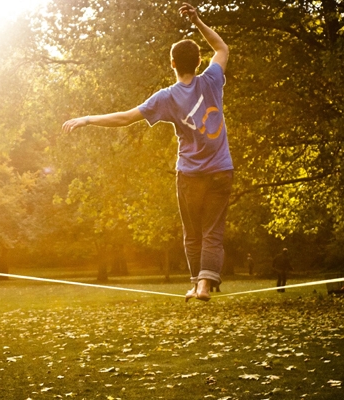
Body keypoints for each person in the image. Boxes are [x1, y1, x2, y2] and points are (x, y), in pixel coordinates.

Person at [62, 3, 232, 302]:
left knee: (193, 233)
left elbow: (126, 117)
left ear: (172, 63)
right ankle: (203, 286)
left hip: (191, 174)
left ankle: (197, 284)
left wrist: (88, 119)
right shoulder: (213, 79)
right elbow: (221, 46)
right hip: (221, 170)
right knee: (212, 232)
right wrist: (197, 21)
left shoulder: (166, 97)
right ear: (199, 61)